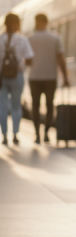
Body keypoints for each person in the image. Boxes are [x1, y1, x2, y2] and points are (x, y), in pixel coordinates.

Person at [28, 14, 70, 144]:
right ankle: (46, 133)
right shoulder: (56, 38)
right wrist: (65, 77)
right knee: (49, 106)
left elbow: (27, 61)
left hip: (34, 77)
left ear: (37, 22)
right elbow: (61, 59)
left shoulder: (30, 39)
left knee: (35, 106)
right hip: (51, 77)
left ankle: (36, 134)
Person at [0, 13, 34, 146]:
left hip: (1, 77)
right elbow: (30, 59)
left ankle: (4, 136)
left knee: (2, 107)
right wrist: (21, 63)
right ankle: (15, 134)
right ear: (17, 24)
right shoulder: (22, 40)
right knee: (16, 106)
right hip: (17, 75)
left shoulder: (0, 39)